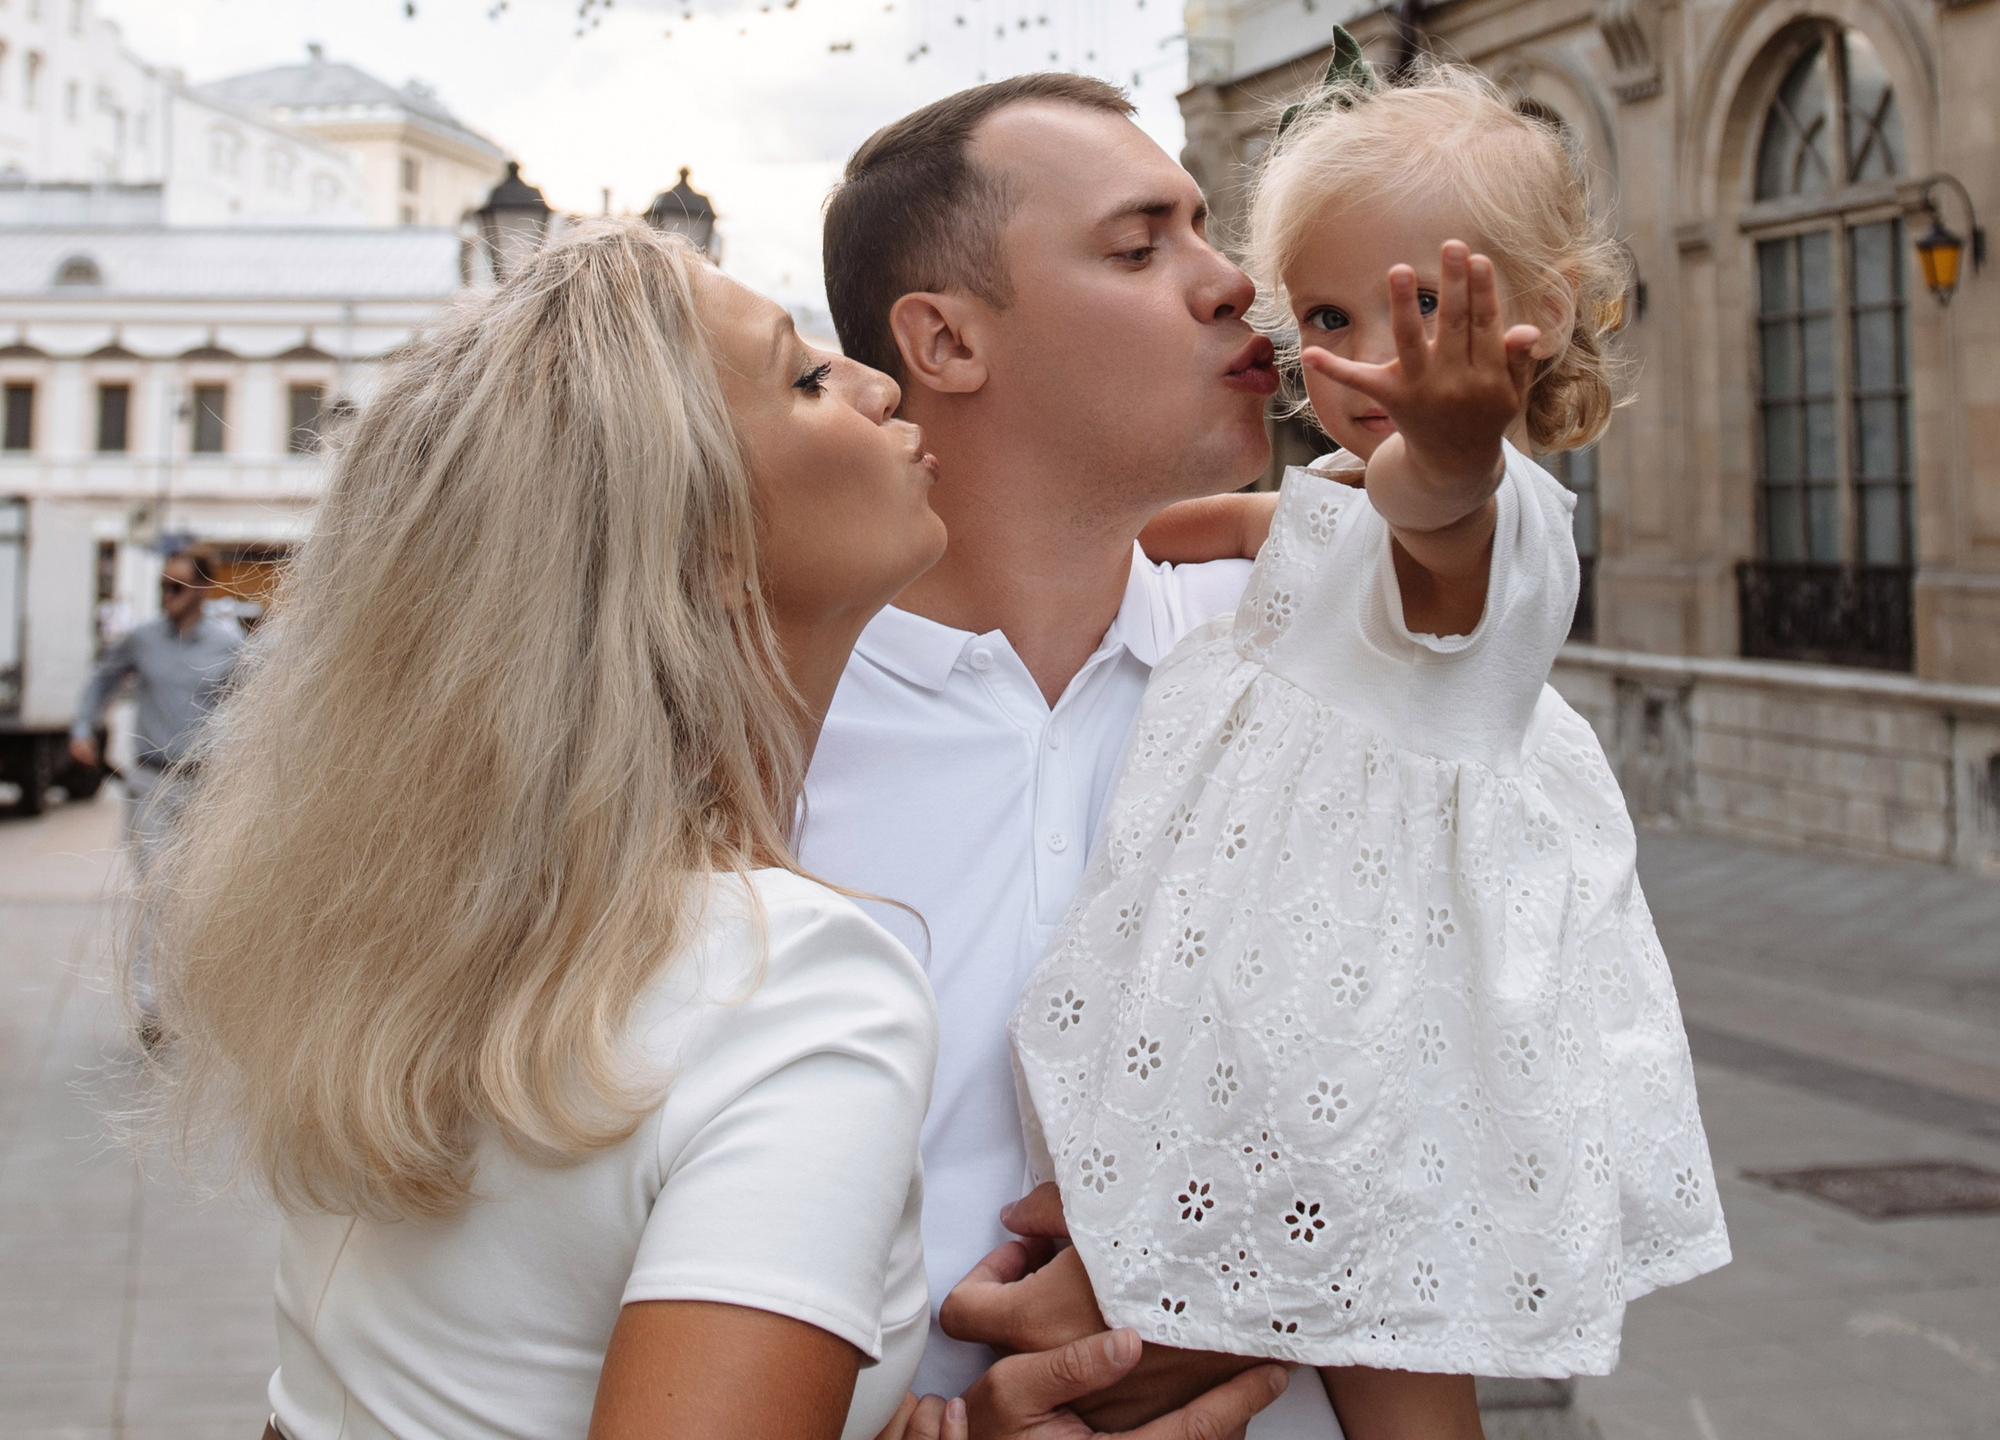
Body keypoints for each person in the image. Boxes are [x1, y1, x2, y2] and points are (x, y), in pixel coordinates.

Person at [145, 221, 1285, 1440]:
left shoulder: (468, 925)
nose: (874, 381)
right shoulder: (792, 983)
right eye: (804, 378)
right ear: (708, 547)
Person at [1011, 45, 1730, 1435]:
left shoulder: (1497, 512)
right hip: (1269, 991)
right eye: (1329, 311)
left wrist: (1460, 438)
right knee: (1269, 1293)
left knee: (1401, 1360)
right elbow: (1189, 527)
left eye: (1423, 315)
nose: (1362, 359)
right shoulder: (1327, 497)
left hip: (1393, 1017)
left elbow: (1435, 510)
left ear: (1542, 316)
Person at [805, 76, 1347, 1437]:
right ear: (945, 339)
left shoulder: (1319, 659)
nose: (1233, 285)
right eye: (1138, 245)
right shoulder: (764, 728)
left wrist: (1223, 1278)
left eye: (1208, 231)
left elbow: (1473, 1088)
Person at [71, 548, 245, 1026]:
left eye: (177, 587)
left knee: (193, 895)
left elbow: (255, 702)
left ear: (204, 591)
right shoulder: (141, 640)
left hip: (203, 789)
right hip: (149, 785)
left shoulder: (229, 645)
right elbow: (100, 680)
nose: (167, 595)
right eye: (163, 586)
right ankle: (153, 1009)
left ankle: (183, 993)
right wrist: (83, 727)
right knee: (156, 892)